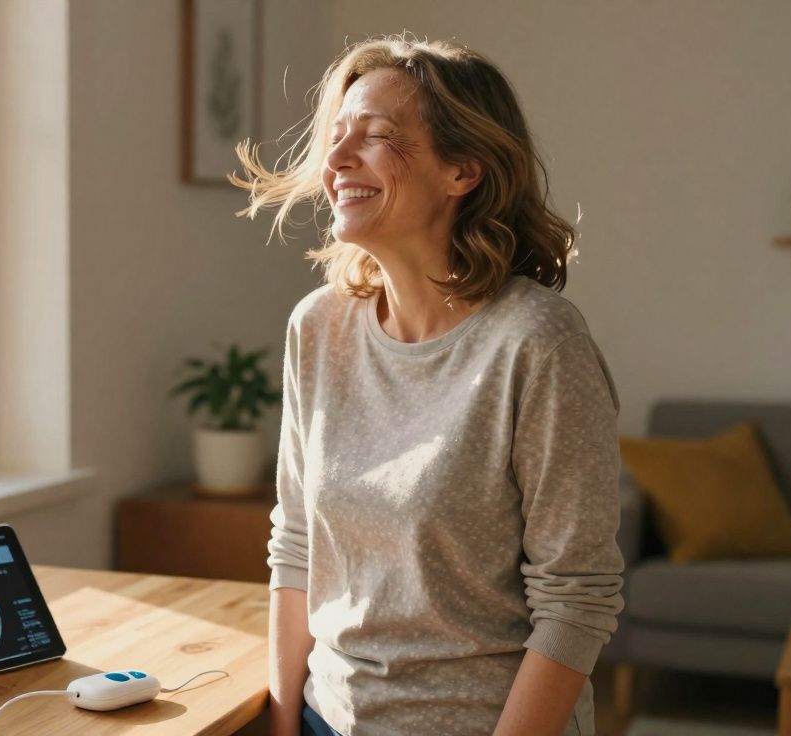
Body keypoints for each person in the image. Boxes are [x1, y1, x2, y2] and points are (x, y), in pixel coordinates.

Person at [230, 34, 625, 736]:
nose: (336, 159)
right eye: (337, 135)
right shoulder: (318, 327)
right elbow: (296, 546)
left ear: (463, 171)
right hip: (327, 717)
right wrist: (285, 724)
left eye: (376, 136)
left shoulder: (537, 341)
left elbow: (576, 600)